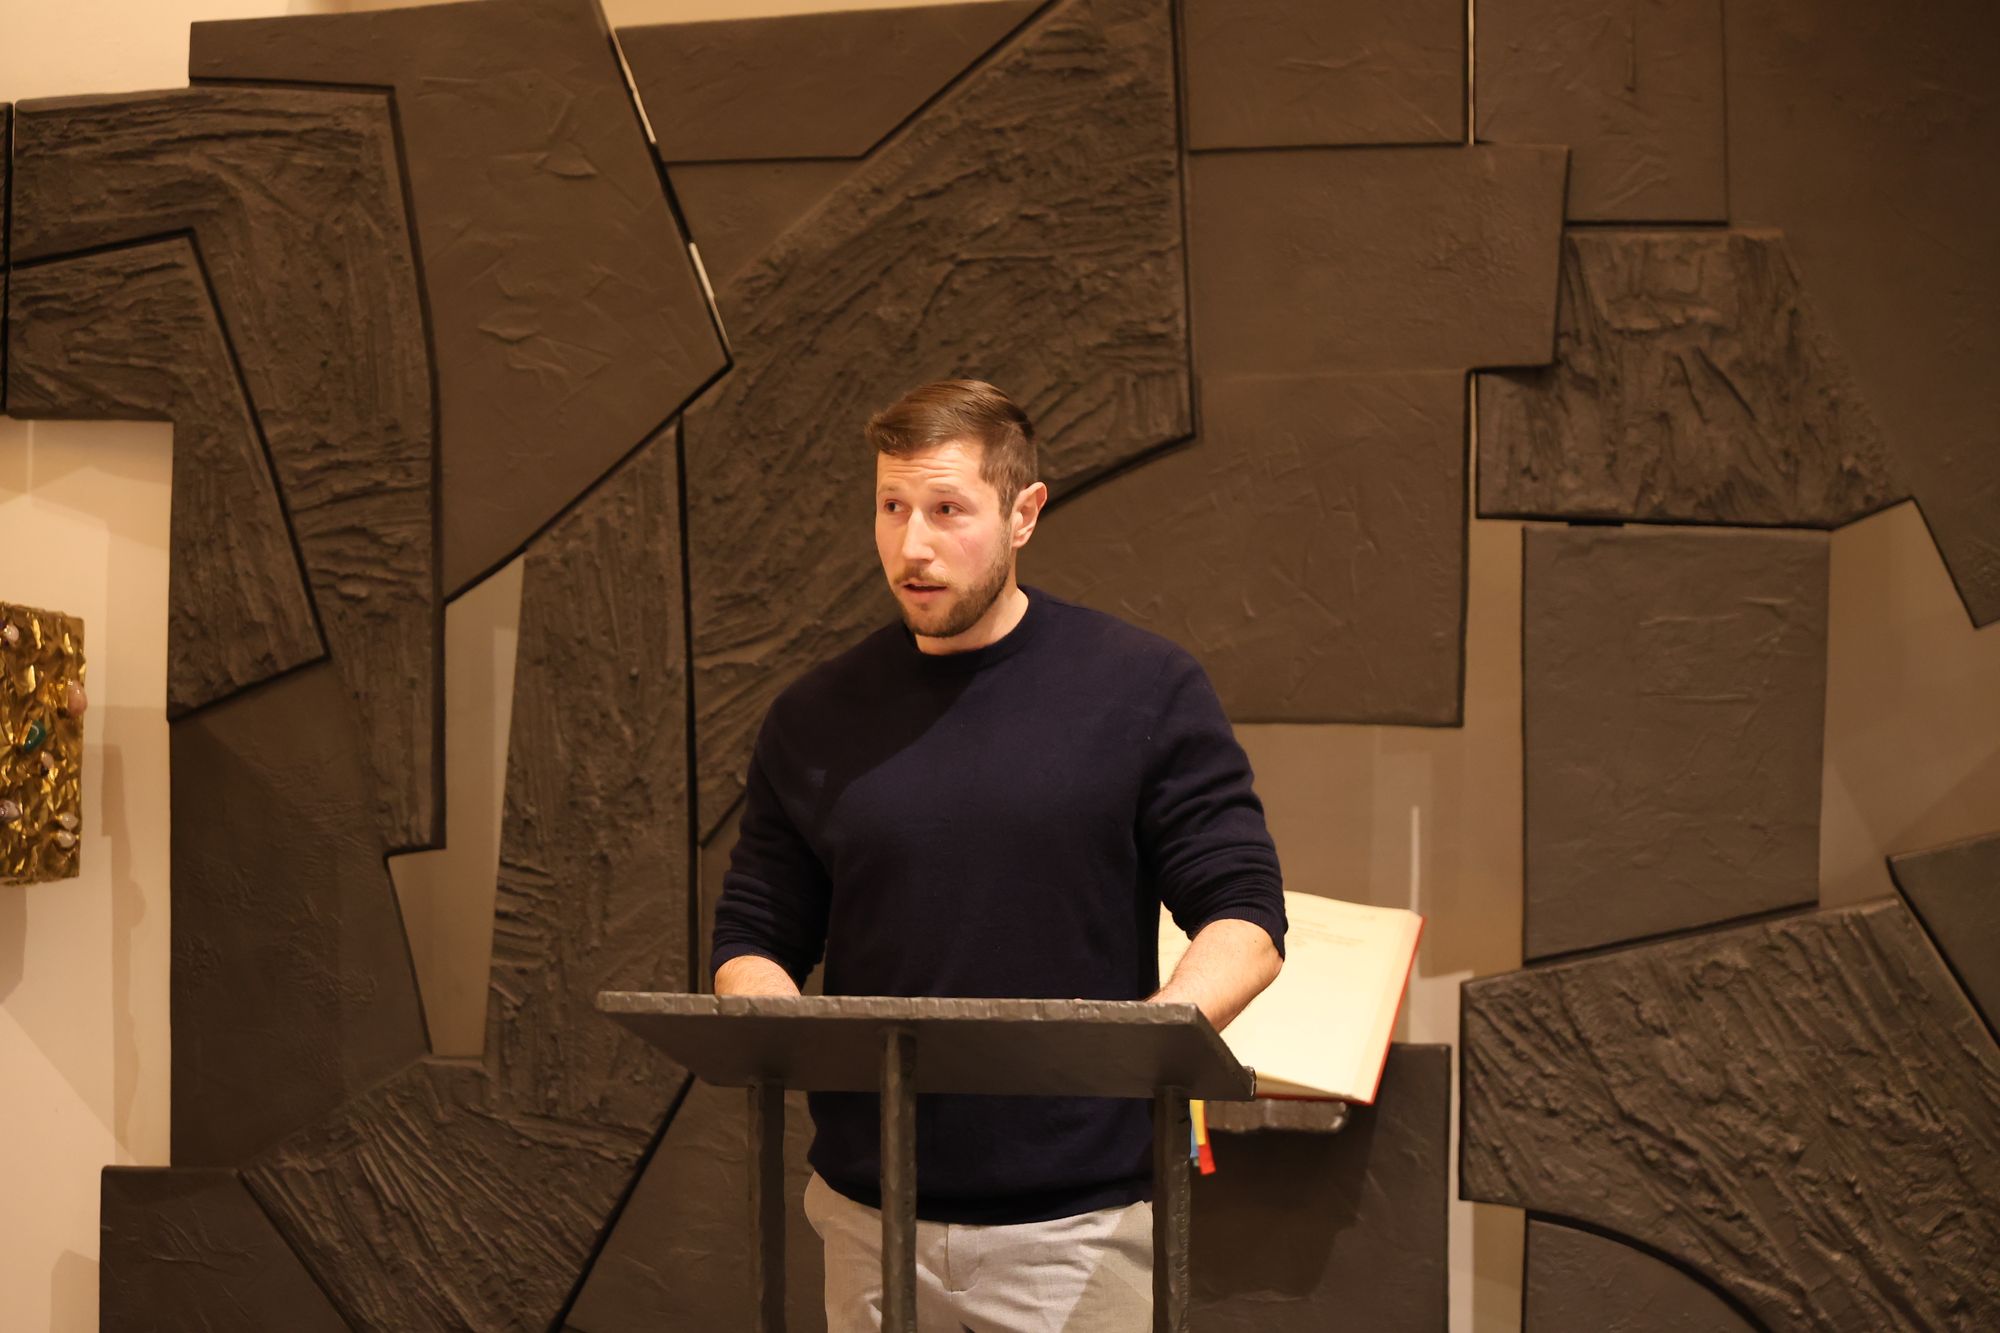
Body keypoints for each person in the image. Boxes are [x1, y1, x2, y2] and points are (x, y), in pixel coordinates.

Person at [709, 378, 1287, 1331]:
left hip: (1079, 1229)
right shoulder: (813, 716)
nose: (912, 546)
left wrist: (1143, 1042)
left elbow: (1245, 916)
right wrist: (783, 1024)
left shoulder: (1142, 689)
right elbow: (753, 934)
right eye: (892, 507)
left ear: (1024, 513)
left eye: (947, 509)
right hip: (866, 1220)